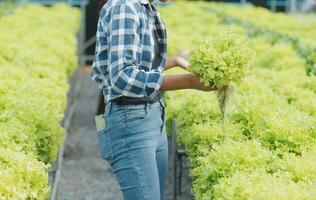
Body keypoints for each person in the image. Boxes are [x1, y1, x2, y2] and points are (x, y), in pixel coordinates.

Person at [90, 0, 216, 199]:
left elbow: (139, 67)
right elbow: (123, 77)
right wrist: (190, 82)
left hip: (153, 116)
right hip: (130, 122)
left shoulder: (146, 8)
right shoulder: (124, 7)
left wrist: (175, 60)